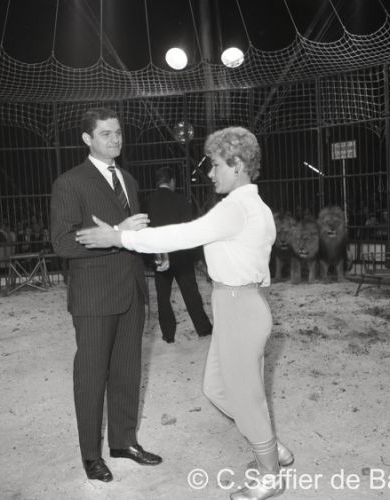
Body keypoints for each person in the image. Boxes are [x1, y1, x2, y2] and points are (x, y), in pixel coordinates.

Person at [76, 126, 293, 499]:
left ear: (237, 165)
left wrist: (118, 237)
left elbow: (181, 236)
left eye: (216, 165)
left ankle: (270, 474)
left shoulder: (236, 208)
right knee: (216, 388)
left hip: (239, 306)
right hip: (238, 304)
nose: (210, 172)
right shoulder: (255, 206)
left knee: (245, 396)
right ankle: (269, 448)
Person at [50, 107, 162, 483]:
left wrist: (152, 249)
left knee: (128, 371)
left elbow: (130, 234)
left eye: (118, 133)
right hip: (95, 296)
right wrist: (115, 234)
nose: (115, 139)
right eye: (105, 134)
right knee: (92, 377)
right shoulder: (70, 182)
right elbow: (62, 242)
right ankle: (90, 455)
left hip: (132, 289)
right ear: (87, 139)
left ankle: (124, 442)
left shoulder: (128, 179)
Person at [143, 166, 212, 343]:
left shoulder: (148, 202)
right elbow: (190, 231)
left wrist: (148, 258)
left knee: (162, 297)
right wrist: (197, 257)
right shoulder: (181, 201)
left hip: (160, 255)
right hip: (181, 255)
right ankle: (203, 329)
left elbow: (145, 230)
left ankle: (168, 335)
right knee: (191, 293)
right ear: (172, 181)